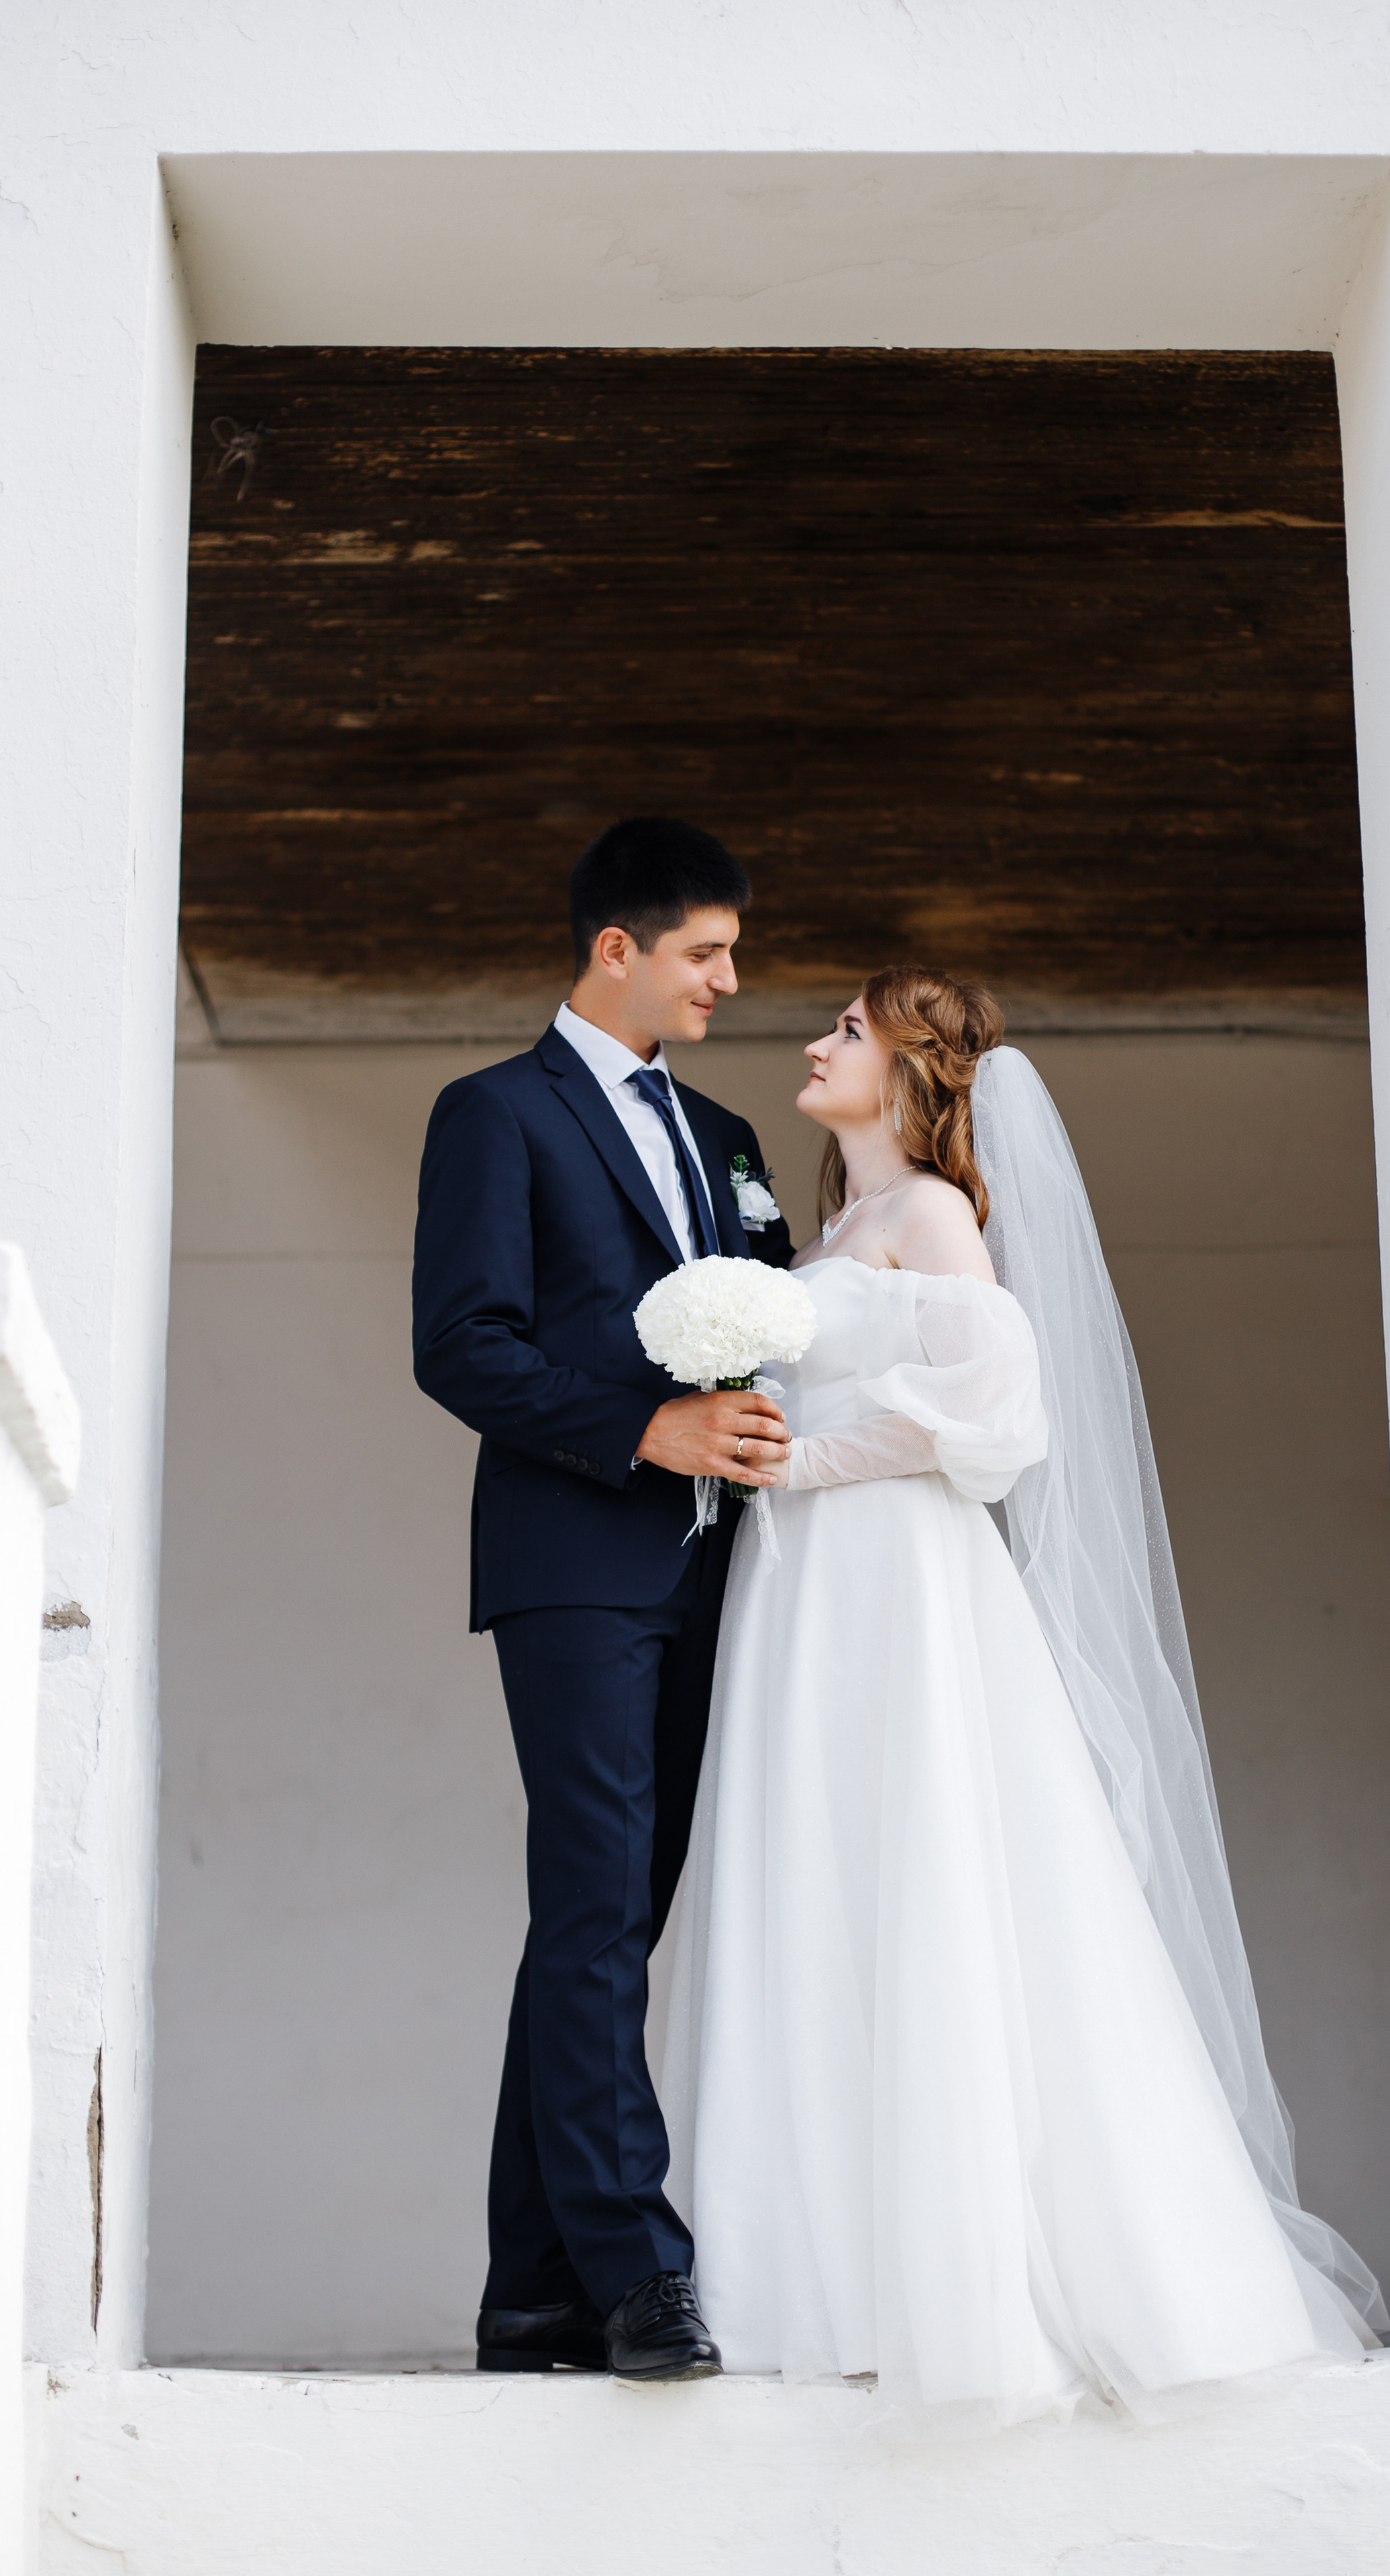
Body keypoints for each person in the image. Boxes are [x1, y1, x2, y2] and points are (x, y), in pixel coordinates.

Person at [661, 964, 1388, 2426]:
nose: (813, 1046)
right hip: (802, 1594)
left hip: (897, 1588)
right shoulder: (837, 1230)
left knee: (930, 1880)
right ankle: (826, 2274)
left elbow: (991, 1422)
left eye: (845, 1033)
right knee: (818, 1885)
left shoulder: (933, 1216)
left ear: (913, 1071)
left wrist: (792, 1463)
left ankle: (971, 2278)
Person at [412, 818, 793, 2384]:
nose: (726, 980)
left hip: (714, 1569)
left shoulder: (725, 1136)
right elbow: (464, 1345)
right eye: (704, 951)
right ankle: (639, 2275)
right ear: (614, 949)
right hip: (575, 1564)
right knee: (590, 1913)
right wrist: (646, 1426)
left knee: (611, 1920)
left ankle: (530, 2293)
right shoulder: (493, 1114)